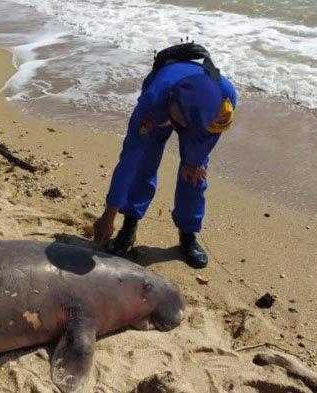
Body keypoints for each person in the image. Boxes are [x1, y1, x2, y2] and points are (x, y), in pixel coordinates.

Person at [94, 43, 237, 269]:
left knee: (194, 174)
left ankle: (188, 234)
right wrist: (108, 215)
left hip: (200, 122)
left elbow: (210, 138)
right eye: (181, 122)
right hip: (160, 109)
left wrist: (195, 159)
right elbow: (129, 160)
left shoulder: (224, 101)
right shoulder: (152, 100)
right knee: (143, 164)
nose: (182, 129)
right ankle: (129, 224)